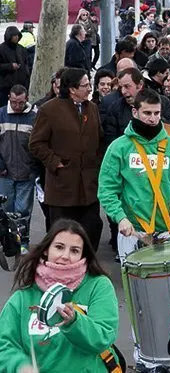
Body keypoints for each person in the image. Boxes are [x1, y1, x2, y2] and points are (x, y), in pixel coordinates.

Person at [0, 219, 118, 373]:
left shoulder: (98, 286)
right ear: (46, 250)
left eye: (74, 250)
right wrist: (20, 366)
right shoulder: (23, 297)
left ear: (84, 255)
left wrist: (74, 322)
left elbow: (104, 337)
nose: (65, 256)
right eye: (59, 247)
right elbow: (4, 345)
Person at [98, 86, 170, 261]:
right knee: (135, 286)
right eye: (147, 113)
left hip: (167, 229)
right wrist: (120, 218)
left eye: (156, 113)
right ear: (135, 112)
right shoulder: (119, 147)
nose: (153, 119)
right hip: (133, 231)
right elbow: (107, 190)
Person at [29, 68, 104, 250]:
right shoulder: (49, 110)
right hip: (62, 187)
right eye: (85, 85)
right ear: (72, 89)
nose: (89, 89)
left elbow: (99, 139)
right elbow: (36, 143)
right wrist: (55, 163)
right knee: (62, 236)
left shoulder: (92, 108)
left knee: (92, 229)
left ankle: (88, 269)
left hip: (89, 186)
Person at [0, 84, 36, 250]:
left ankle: (22, 242)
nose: (17, 106)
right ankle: (7, 241)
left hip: (25, 173)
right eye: (14, 102)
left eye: (20, 103)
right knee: (6, 210)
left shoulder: (34, 116)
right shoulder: (1, 114)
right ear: (9, 98)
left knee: (22, 212)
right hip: (5, 172)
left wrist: (33, 168)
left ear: (26, 99)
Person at [102, 68, 170, 145]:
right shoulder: (115, 108)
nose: (123, 91)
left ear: (140, 85)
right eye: (121, 87)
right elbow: (110, 139)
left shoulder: (162, 102)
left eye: (127, 86)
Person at [0, 26, 30, 107]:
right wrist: (10, 66)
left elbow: (26, 64)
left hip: (21, 87)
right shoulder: (1, 49)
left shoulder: (21, 49)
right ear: (9, 36)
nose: (16, 37)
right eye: (14, 35)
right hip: (5, 88)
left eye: (17, 35)